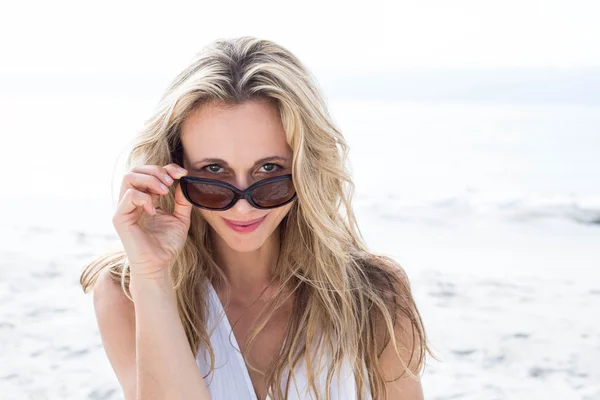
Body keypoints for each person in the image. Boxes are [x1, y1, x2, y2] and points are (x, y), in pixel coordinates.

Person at [80, 36, 438, 400]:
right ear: (175, 168)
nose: (243, 206)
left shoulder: (374, 297)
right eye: (214, 170)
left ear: (306, 169)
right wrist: (152, 277)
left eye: (269, 169)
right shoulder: (126, 292)